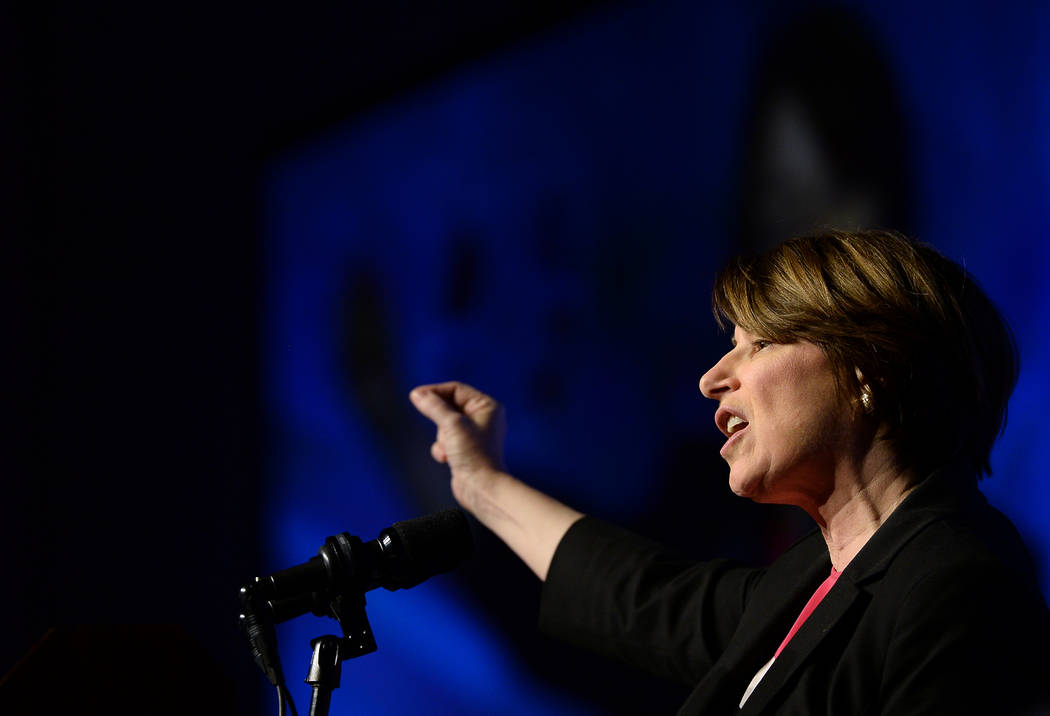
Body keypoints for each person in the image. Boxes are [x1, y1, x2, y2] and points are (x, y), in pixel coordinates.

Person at [408, 230, 1050, 715]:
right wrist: (481, 483)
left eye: (760, 343)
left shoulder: (957, 579)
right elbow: (639, 597)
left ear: (869, 371)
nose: (712, 378)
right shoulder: (807, 582)